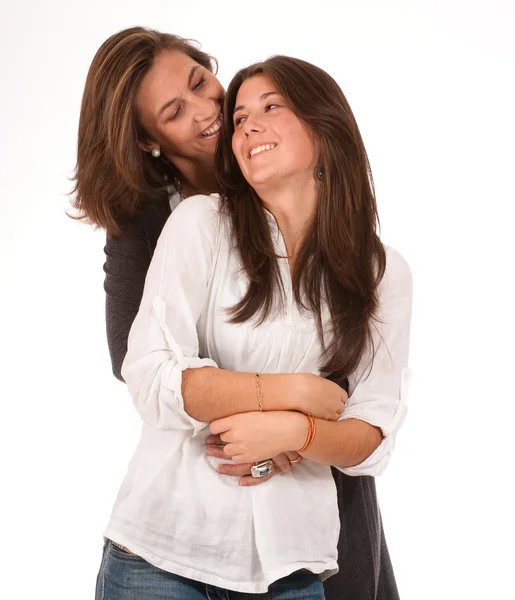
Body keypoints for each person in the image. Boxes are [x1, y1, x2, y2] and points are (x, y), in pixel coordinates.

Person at [72, 27, 408, 599]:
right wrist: (292, 395)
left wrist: (293, 436)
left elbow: (364, 411)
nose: (218, 113)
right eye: (176, 111)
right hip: (178, 521)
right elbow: (141, 367)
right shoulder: (178, 223)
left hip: (305, 516)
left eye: (203, 83)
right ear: (150, 140)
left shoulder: (370, 262)